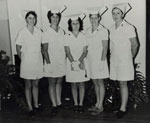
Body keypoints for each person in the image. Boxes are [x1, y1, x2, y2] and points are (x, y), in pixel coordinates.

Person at [109, 3, 139, 118]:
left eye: (118, 13)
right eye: (114, 13)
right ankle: (120, 105)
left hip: (125, 60)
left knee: (123, 83)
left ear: (123, 14)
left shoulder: (129, 27)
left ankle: (123, 108)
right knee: (118, 82)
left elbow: (135, 45)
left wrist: (130, 58)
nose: (115, 15)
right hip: (114, 59)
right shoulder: (111, 28)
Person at [16, 11, 43, 116]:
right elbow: (18, 47)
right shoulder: (22, 32)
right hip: (27, 61)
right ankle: (30, 107)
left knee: (36, 84)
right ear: (26, 19)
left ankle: (36, 105)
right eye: (30, 18)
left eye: (34, 18)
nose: (32, 20)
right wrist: (22, 58)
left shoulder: (39, 31)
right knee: (28, 85)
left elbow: (41, 45)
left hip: (37, 60)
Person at [42, 7, 67, 115]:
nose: (55, 19)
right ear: (49, 18)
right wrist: (49, 63)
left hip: (61, 61)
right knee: (52, 83)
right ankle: (54, 105)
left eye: (57, 17)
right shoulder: (46, 32)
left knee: (59, 82)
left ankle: (59, 102)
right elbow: (44, 50)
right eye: (53, 17)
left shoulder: (62, 31)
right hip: (51, 62)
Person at [85, 7, 109, 115]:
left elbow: (105, 48)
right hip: (91, 60)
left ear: (99, 18)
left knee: (100, 82)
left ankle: (100, 106)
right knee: (95, 82)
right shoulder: (87, 31)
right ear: (89, 19)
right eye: (92, 18)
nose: (94, 20)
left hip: (100, 60)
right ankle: (97, 103)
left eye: (96, 18)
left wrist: (102, 62)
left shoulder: (103, 30)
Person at [64, 14, 90, 113]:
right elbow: (67, 51)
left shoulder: (83, 36)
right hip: (71, 61)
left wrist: (79, 61)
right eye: (73, 23)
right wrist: (73, 62)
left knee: (81, 83)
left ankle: (81, 104)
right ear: (70, 25)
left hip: (82, 61)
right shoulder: (67, 36)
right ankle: (75, 103)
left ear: (80, 24)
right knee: (74, 84)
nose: (75, 25)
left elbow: (85, 51)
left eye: (77, 23)